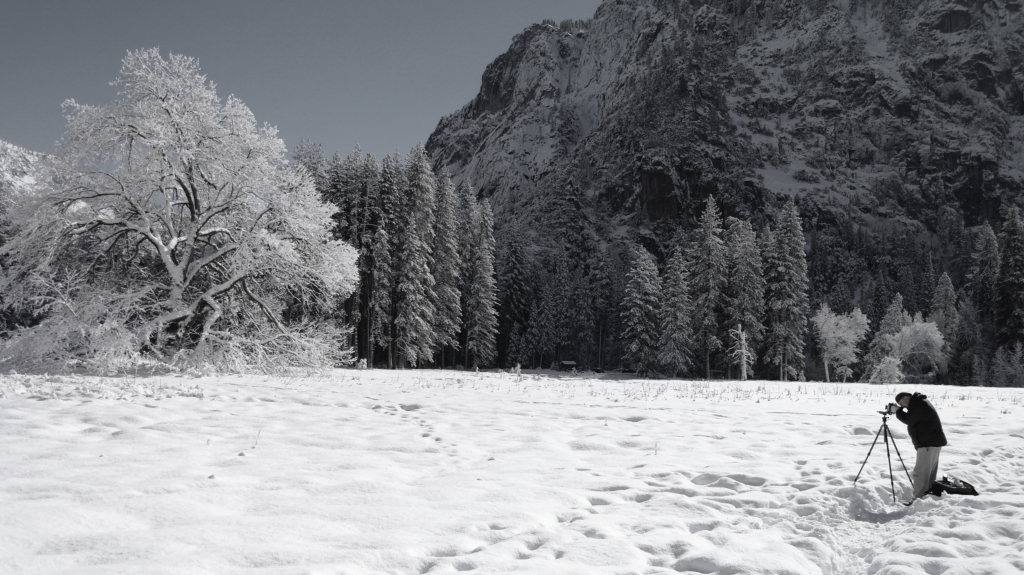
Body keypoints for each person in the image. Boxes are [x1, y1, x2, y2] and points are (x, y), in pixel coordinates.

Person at [891, 391, 947, 504]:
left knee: (921, 473)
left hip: (928, 443)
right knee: (928, 474)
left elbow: (909, 420)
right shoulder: (919, 402)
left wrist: (897, 411)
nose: (902, 406)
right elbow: (912, 418)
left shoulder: (918, 404)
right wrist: (899, 411)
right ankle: (926, 499)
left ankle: (918, 501)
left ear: (906, 398)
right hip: (932, 442)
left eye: (901, 403)